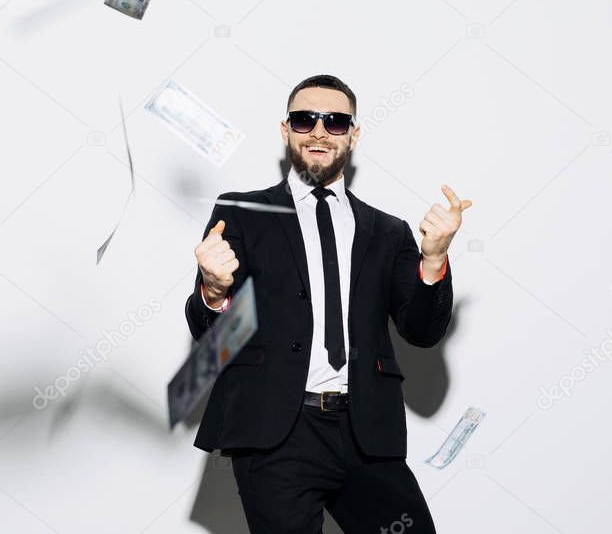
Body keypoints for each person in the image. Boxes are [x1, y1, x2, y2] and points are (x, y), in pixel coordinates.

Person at [185, 74, 470, 533]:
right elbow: (212, 338)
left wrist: (433, 260)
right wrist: (214, 293)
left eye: (335, 122)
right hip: (276, 433)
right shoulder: (240, 212)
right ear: (286, 131)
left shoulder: (388, 230)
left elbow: (422, 331)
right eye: (305, 120)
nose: (319, 131)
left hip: (365, 431)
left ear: (353, 135)